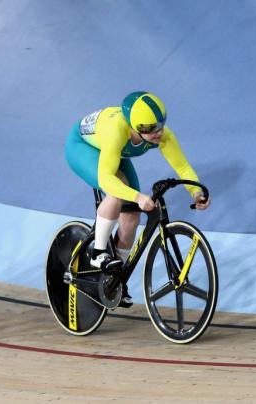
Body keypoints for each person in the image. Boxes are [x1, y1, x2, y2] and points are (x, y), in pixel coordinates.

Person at [65, 91, 211, 307]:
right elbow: (106, 179)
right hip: (83, 147)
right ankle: (98, 252)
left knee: (132, 217)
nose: (158, 133)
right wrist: (138, 196)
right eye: (150, 129)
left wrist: (196, 192)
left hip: (115, 151)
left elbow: (182, 166)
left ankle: (114, 279)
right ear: (134, 126)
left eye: (160, 125)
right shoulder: (116, 130)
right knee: (118, 188)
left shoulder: (161, 133)